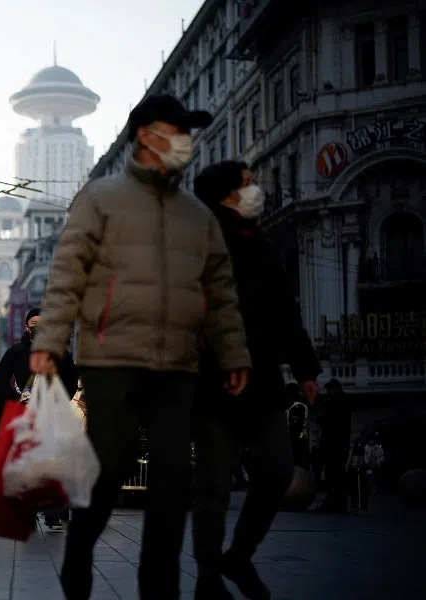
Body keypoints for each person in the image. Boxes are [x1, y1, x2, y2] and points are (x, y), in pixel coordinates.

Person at [29, 95, 252, 600]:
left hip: (178, 365)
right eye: (177, 131)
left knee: (173, 481)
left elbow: (220, 291)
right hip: (112, 357)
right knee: (111, 465)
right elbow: (67, 274)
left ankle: (160, 590)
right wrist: (51, 341)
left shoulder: (198, 216)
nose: (185, 143)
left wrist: (233, 352)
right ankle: (80, 548)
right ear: (148, 136)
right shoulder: (101, 198)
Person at [190, 160, 322, 600]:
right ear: (225, 194)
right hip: (211, 383)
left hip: (262, 378)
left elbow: (286, 310)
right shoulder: (196, 242)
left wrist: (305, 369)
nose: (255, 191)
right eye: (246, 185)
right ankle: (209, 576)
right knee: (213, 482)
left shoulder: (260, 242)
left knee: (277, 470)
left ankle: (239, 555)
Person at [0, 307, 78, 531]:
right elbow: (0, 382)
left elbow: (71, 381)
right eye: (34, 323)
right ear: (26, 327)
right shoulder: (16, 351)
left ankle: (52, 515)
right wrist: (17, 397)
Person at [316, 379, 351, 513]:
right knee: (334, 475)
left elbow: (331, 422)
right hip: (336, 445)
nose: (328, 392)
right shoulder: (339, 403)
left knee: (334, 475)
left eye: (330, 389)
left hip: (335, 446)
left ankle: (335, 503)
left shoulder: (337, 404)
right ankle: (335, 502)